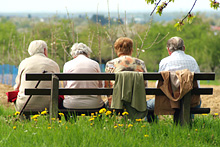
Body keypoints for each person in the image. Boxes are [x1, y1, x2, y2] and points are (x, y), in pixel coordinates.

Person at [147, 36, 201, 119]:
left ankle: (154, 126)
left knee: (148, 106)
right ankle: (188, 125)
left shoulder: (164, 62)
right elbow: (197, 85)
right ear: (184, 48)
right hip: (191, 102)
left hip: (168, 102)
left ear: (168, 50)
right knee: (189, 98)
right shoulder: (192, 61)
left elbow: (158, 86)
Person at [14, 40, 60, 112]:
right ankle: (51, 121)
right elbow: (58, 87)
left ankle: (24, 121)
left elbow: (17, 87)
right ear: (45, 50)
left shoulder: (24, 63)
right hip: (49, 104)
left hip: (25, 104)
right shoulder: (53, 64)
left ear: (30, 51)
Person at [105, 37, 147, 106]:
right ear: (131, 49)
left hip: (117, 102)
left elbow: (108, 86)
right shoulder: (140, 63)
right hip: (137, 102)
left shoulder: (111, 64)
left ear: (116, 50)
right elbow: (145, 84)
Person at [62, 43, 104, 109]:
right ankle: (96, 119)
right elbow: (100, 85)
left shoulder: (67, 64)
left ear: (73, 54)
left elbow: (65, 85)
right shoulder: (95, 64)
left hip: (71, 104)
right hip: (94, 104)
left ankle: (71, 119)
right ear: (87, 53)